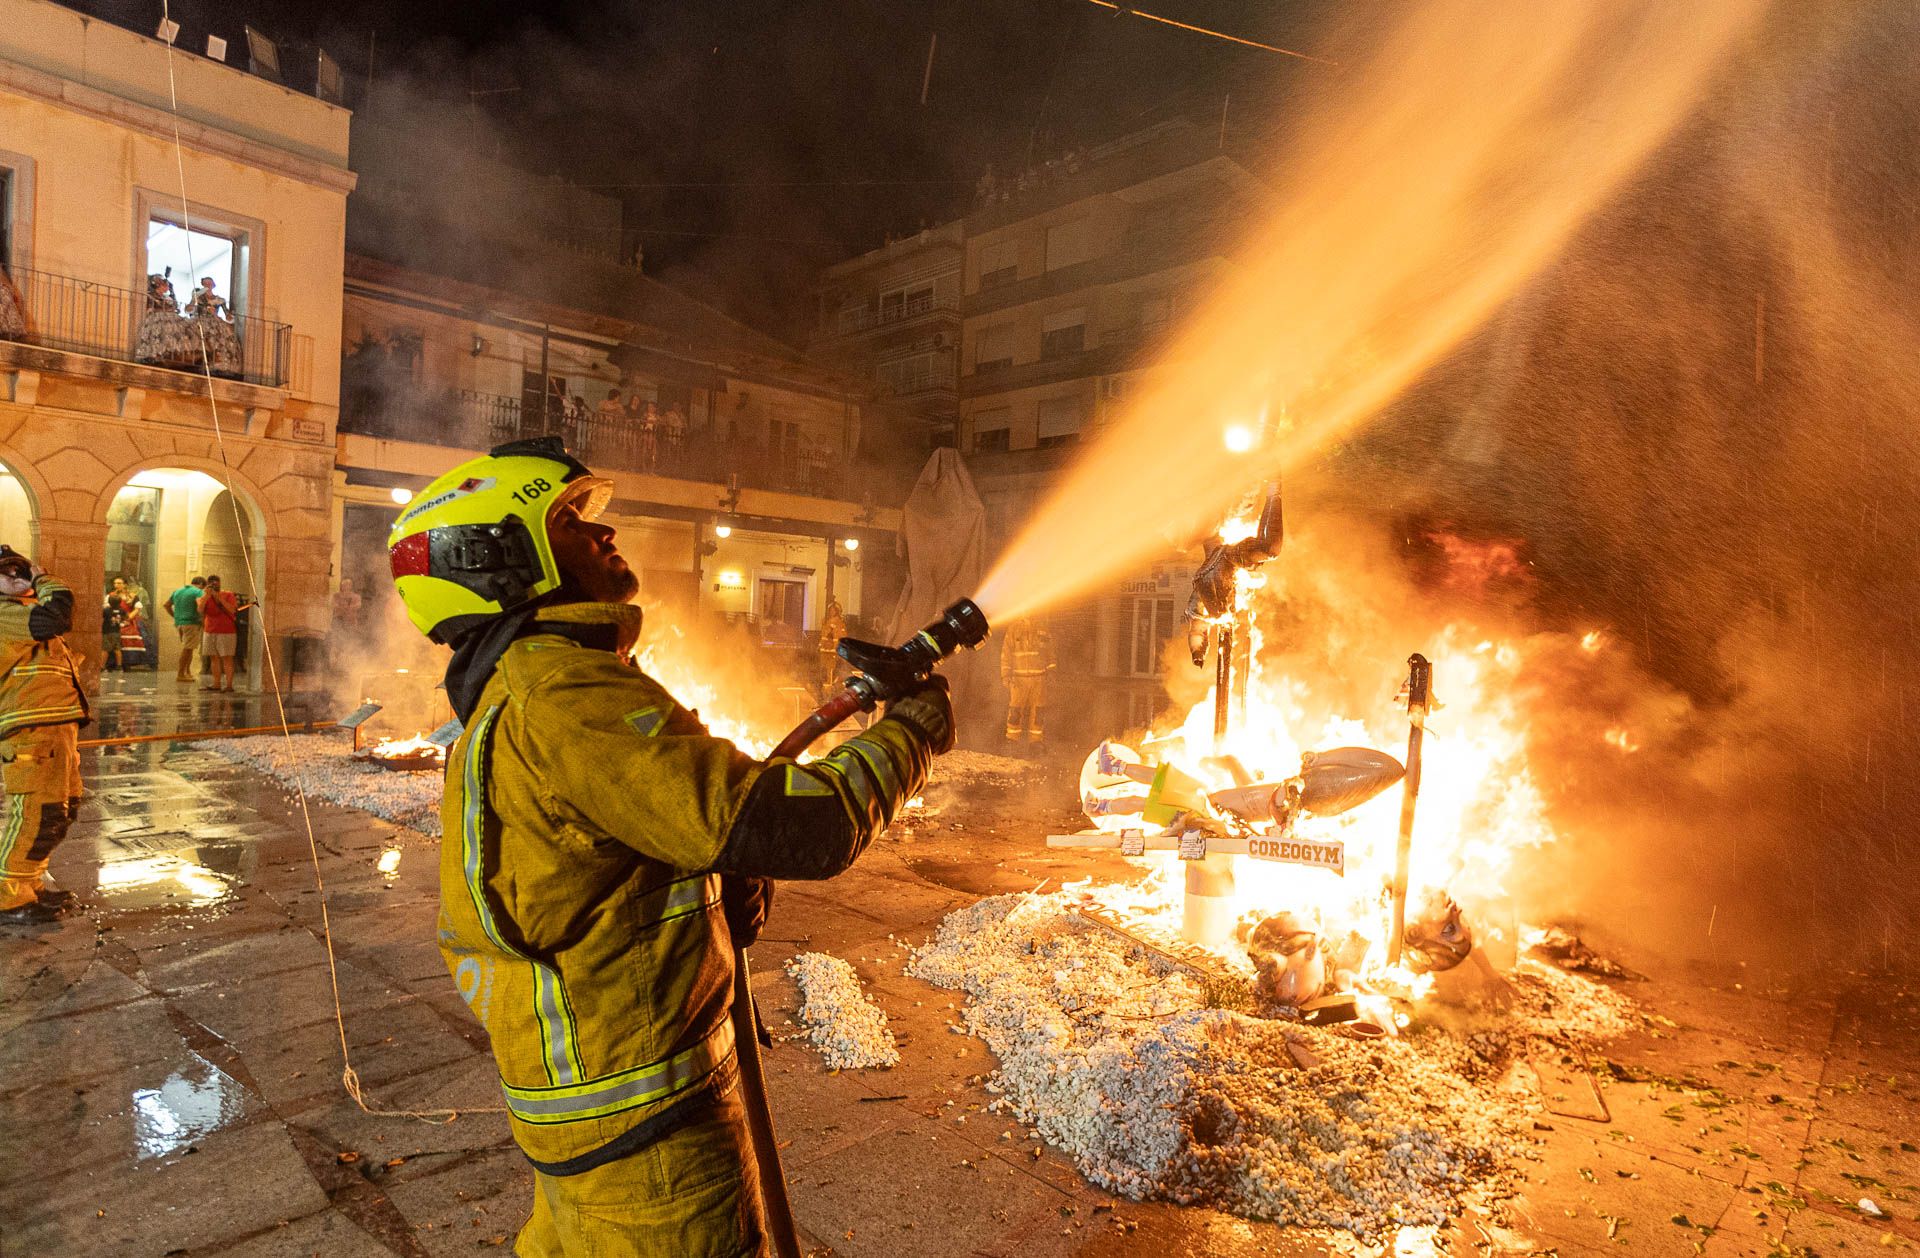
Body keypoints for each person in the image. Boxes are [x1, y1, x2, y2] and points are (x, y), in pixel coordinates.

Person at [387, 437, 953, 1255]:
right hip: (650, 1140)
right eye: (573, 523)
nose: (605, 536)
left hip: (605, 1117)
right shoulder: (566, 697)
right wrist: (914, 734)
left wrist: (713, 887)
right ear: (500, 558)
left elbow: (609, 875)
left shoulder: (539, 688)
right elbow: (804, 823)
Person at [0, 545, 88, 924]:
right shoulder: (6, 615)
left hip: (56, 727)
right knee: (36, 812)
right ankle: (7, 898)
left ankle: (27, 885)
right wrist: (42, 577)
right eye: (5, 572)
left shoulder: (23, 611)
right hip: (31, 730)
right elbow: (57, 614)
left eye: (18, 569)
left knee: (57, 812)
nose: (16, 577)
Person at [1001, 617, 1056, 744]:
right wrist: (1006, 675)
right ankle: (1012, 742)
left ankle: (1036, 743)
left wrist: (1052, 672)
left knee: (1038, 712)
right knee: (1015, 711)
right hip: (1018, 680)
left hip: (1039, 679)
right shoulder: (1013, 629)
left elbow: (1050, 652)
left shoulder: (1043, 629)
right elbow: (1006, 654)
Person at [197, 574, 249, 692]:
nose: (214, 585)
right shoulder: (203, 596)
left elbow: (232, 609)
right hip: (209, 631)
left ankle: (229, 685)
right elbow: (200, 609)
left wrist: (218, 597)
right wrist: (207, 596)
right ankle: (216, 684)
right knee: (213, 658)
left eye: (216, 582)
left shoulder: (228, 595)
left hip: (227, 631)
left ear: (220, 583)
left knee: (227, 658)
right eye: (211, 583)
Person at [186, 276, 244, 377]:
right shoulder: (198, 297)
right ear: (203, 285)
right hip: (202, 321)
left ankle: (218, 363)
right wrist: (193, 300)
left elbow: (227, 315)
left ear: (213, 284)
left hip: (216, 322)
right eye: (205, 283)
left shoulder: (220, 300)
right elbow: (188, 309)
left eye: (210, 283)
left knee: (220, 342)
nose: (208, 285)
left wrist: (230, 316)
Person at [169, 576, 206, 682]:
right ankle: (180, 673)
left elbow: (167, 605)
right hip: (191, 623)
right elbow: (200, 607)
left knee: (189, 648)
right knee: (187, 648)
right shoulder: (198, 592)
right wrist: (203, 620)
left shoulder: (178, 591)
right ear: (201, 584)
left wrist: (175, 616)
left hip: (179, 623)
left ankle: (187, 671)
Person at [101, 580, 135, 672]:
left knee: (105, 649)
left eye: (119, 583)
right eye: (115, 583)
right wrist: (124, 623)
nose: (117, 585)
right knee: (117, 649)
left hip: (107, 632)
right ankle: (119, 665)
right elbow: (127, 617)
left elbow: (101, 617)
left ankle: (102, 666)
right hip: (117, 631)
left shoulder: (107, 610)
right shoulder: (121, 610)